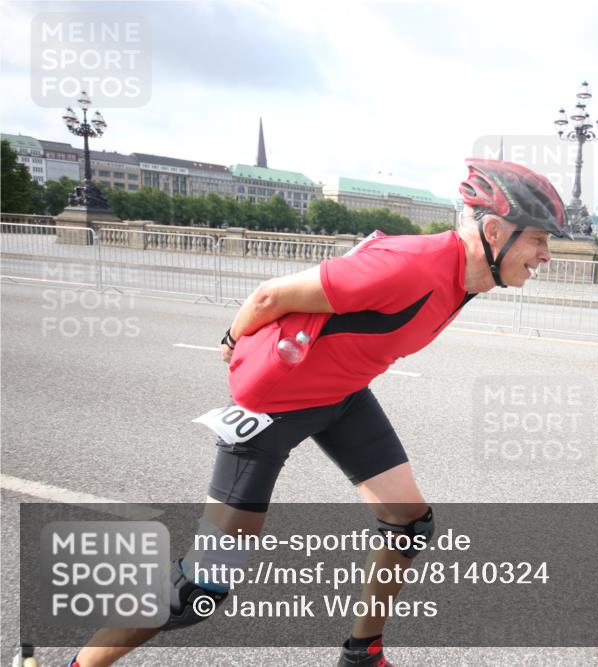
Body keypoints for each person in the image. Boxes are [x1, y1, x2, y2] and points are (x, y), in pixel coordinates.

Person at [62, 158, 569, 667]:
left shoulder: (469, 275)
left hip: (342, 395)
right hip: (273, 407)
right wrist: (232, 338)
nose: (546, 255)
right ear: (496, 230)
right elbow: (271, 295)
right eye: (540, 240)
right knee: (200, 587)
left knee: (409, 523)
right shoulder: (409, 264)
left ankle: (361, 655)